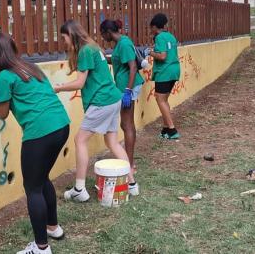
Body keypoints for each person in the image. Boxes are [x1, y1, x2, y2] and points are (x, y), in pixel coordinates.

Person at [0, 33, 69, 254]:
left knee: (32, 188)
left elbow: (2, 113)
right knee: (41, 177)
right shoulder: (31, 68)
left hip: (40, 133)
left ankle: (41, 248)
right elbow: (23, 93)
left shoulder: (4, 77)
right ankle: (53, 227)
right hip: (61, 125)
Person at [54, 20, 137, 202]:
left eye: (64, 37)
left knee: (79, 140)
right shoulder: (93, 47)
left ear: (72, 35)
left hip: (102, 102)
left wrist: (59, 88)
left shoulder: (84, 51)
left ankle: (79, 189)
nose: (63, 41)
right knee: (112, 142)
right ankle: (131, 184)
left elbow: (79, 83)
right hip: (113, 98)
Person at [99, 19, 144, 195]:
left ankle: (129, 165)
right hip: (126, 86)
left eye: (103, 34)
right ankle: (129, 162)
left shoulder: (124, 43)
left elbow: (132, 67)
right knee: (127, 124)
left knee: (127, 125)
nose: (103, 37)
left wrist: (127, 90)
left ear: (108, 32)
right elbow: (117, 62)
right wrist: (104, 57)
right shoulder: (119, 44)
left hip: (128, 86)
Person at [149, 13, 181, 139]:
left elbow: (162, 56)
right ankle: (166, 128)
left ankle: (172, 130)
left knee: (160, 99)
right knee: (164, 100)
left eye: (151, 27)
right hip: (174, 70)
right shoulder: (170, 36)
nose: (151, 30)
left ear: (155, 26)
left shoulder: (159, 37)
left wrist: (149, 52)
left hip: (164, 72)